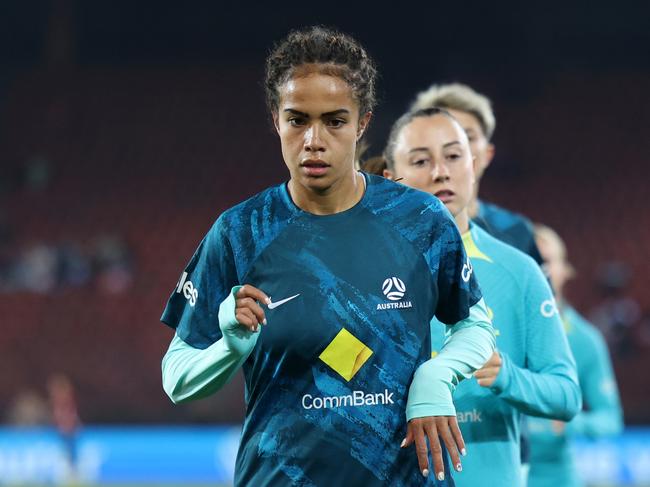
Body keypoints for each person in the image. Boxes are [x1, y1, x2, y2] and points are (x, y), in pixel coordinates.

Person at [160, 26, 495, 486]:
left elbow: (475, 325)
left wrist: (437, 377)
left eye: (335, 121)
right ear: (276, 119)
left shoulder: (419, 219)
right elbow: (177, 378)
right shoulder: (240, 232)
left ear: (362, 123)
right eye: (298, 120)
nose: (314, 140)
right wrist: (229, 348)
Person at [383, 107, 581, 487]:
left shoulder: (519, 271)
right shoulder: (364, 274)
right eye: (421, 160)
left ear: (473, 165)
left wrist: (506, 375)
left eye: (454, 156)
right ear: (392, 178)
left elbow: (566, 395)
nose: (441, 171)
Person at [528, 224, 624, 487]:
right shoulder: (499, 329)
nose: (540, 269)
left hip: (556, 476)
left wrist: (571, 423)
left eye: (546, 261)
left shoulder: (585, 339)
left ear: (564, 270)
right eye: (531, 259)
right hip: (502, 470)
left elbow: (610, 419)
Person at [410, 83, 543, 265]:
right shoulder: (392, 231)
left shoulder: (516, 232)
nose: (456, 146)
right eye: (443, 135)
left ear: (488, 154)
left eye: (468, 136)